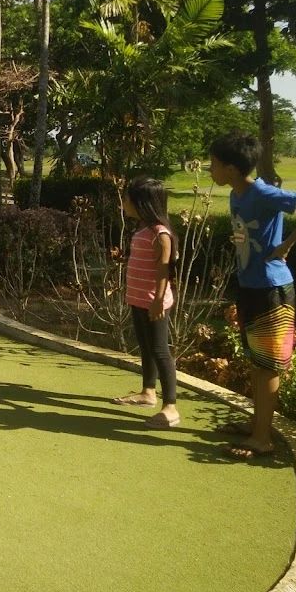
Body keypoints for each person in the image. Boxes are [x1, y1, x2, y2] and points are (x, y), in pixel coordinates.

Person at [209, 132, 296, 460]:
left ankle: (262, 439)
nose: (210, 169)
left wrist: (287, 245)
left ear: (232, 169)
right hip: (250, 287)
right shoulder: (236, 194)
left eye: (214, 164)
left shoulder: (263, 192)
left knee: (268, 367)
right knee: (257, 363)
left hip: (271, 289)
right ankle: (256, 426)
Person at [111, 177, 180, 429]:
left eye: (127, 199)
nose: (124, 203)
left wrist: (159, 301)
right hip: (138, 299)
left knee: (160, 350)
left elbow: (163, 272)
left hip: (154, 302)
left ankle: (170, 407)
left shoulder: (160, 235)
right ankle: (148, 392)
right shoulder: (142, 230)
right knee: (145, 346)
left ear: (143, 203)